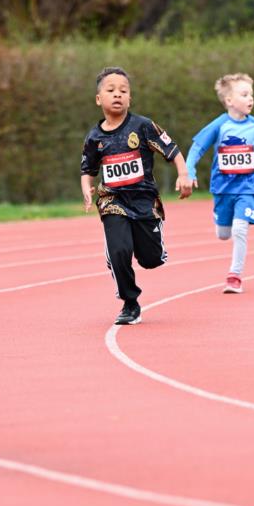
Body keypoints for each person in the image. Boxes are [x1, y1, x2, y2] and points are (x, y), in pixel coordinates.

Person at [80, 66, 193, 325]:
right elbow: (88, 169)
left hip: (144, 202)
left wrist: (183, 174)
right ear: (99, 99)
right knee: (118, 250)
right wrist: (87, 188)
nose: (117, 95)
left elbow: (172, 150)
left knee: (151, 260)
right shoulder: (94, 138)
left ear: (130, 98)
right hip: (113, 201)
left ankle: (150, 248)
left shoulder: (142, 127)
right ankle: (130, 303)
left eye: (123, 90)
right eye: (111, 90)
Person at [186, 73, 254, 293]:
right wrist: (189, 171)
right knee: (223, 234)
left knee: (240, 229)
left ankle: (235, 276)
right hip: (223, 188)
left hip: (248, 188)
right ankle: (220, 219)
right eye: (244, 94)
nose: (251, 99)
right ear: (229, 101)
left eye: (251, 94)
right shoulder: (219, 125)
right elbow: (197, 148)